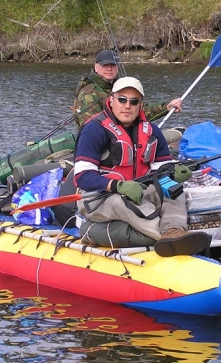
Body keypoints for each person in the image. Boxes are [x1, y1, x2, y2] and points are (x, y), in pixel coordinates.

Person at [73, 76, 211, 256]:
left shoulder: (152, 131)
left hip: (139, 189)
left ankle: (174, 230)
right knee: (122, 200)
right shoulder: (94, 130)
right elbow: (82, 176)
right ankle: (165, 237)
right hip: (98, 197)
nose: (127, 105)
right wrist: (117, 186)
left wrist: (175, 173)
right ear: (112, 100)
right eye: (122, 99)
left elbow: (162, 169)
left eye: (133, 101)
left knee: (174, 190)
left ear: (140, 105)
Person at [73, 49, 183, 131]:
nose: (109, 68)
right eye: (105, 65)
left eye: (113, 65)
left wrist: (166, 107)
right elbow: (91, 128)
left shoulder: (118, 87)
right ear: (96, 67)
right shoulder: (88, 94)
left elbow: (137, 110)